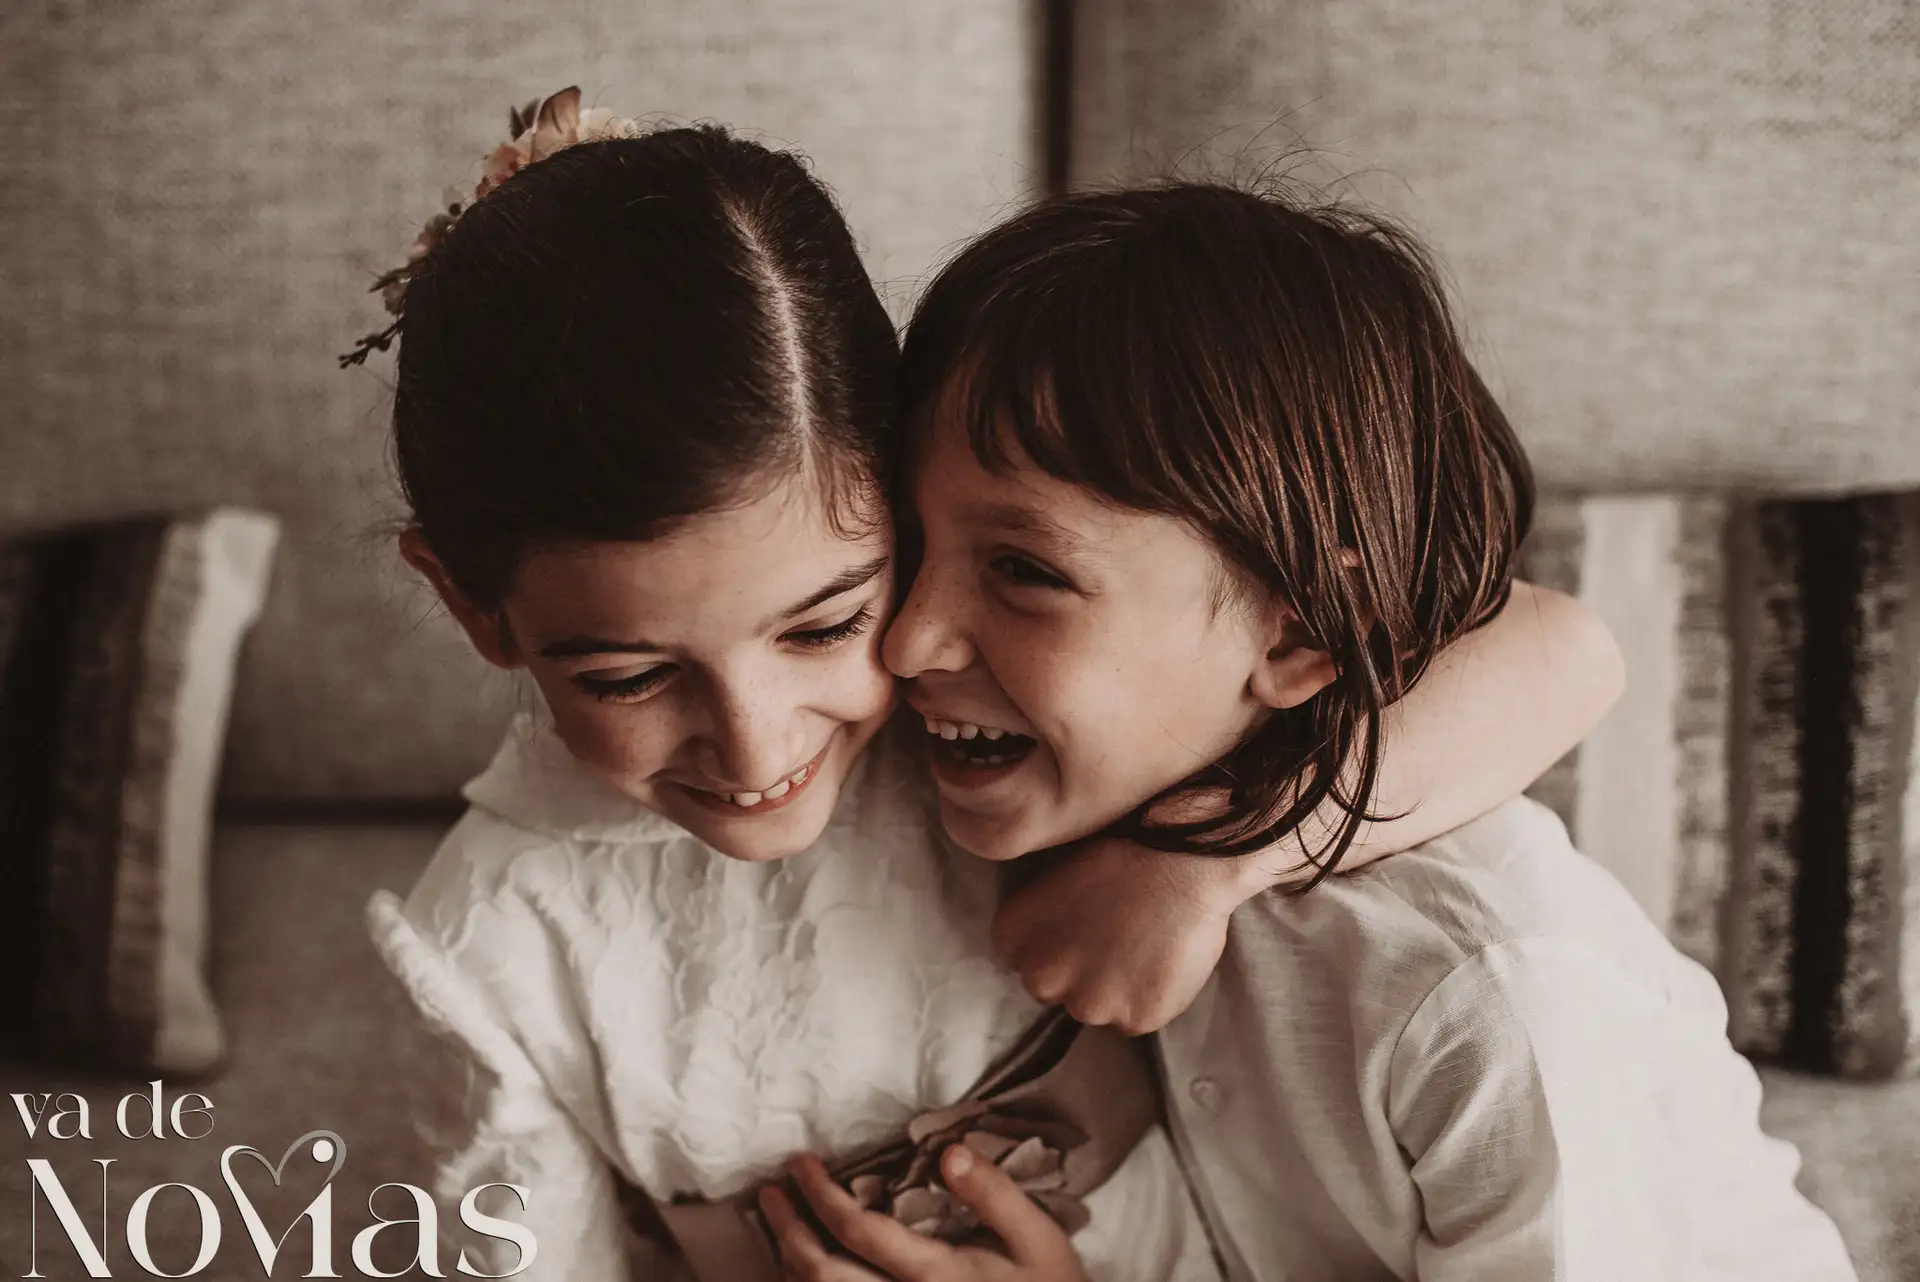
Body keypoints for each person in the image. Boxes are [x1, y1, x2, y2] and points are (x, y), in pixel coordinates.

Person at [355, 91, 1622, 1281]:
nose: (756, 744)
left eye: (830, 622)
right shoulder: (501, 941)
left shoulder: (1033, 733)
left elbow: (1562, 649)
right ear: (471, 604)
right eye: (631, 675)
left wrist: (1203, 866)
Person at [768, 181, 1858, 1281]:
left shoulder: (1482, 993)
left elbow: (1573, 648)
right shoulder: (1090, 803)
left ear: (1296, 635)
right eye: (911, 543)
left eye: (1024, 570)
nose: (906, 641)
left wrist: (1196, 868)